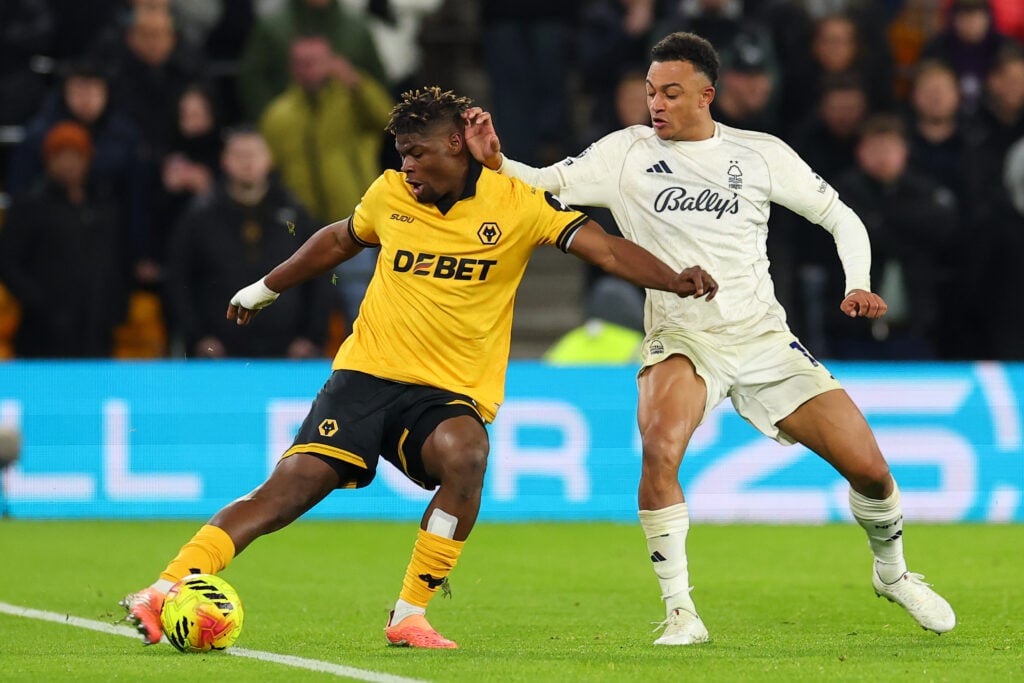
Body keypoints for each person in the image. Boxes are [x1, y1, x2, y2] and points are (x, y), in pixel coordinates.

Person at [119, 86, 718, 649]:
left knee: (467, 453)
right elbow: (338, 240)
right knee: (291, 490)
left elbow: (607, 248)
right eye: (401, 154)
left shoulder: (518, 203)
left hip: (448, 392)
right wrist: (264, 287)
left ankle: (408, 613)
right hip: (366, 377)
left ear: (456, 146)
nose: (406, 167)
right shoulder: (389, 196)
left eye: (417, 154)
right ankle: (163, 586)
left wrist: (673, 277)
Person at [463, 31, 956, 645]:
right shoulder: (624, 154)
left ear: (707, 95)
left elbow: (839, 216)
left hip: (765, 339)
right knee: (660, 448)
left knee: (872, 473)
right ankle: (680, 614)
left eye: (671, 92)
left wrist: (858, 281)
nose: (656, 104)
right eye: (650, 93)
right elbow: (541, 182)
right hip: (683, 337)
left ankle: (894, 573)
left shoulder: (759, 154)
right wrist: (494, 161)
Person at [164, 126, 330, 359]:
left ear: (269, 159)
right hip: (219, 353)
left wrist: (311, 337)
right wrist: (198, 337)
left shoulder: (295, 212)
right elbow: (179, 278)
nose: (247, 162)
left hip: (288, 352)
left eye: (254, 154)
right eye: (239, 155)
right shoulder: (201, 215)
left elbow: (318, 273)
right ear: (224, 161)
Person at [0, 121, 129, 358]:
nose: (69, 163)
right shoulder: (30, 205)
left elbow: (116, 260)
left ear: (88, 159)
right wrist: (40, 303)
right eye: (61, 156)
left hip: (95, 331)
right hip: (42, 333)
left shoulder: (103, 206)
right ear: (48, 160)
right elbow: (7, 263)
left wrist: (114, 307)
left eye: (76, 156)